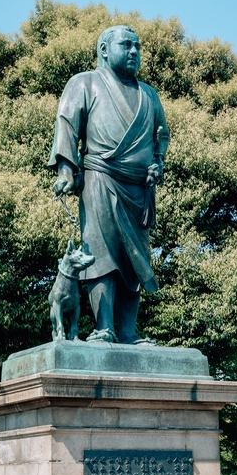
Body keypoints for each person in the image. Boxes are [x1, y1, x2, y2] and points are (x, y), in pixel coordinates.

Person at [49, 25, 169, 344]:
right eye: (126, 45)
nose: (134, 51)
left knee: (135, 260)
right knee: (101, 252)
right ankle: (104, 326)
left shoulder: (148, 94)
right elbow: (67, 125)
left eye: (138, 46)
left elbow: (162, 134)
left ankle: (129, 332)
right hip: (99, 176)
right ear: (104, 50)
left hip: (139, 188)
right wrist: (65, 171)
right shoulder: (84, 83)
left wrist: (158, 162)